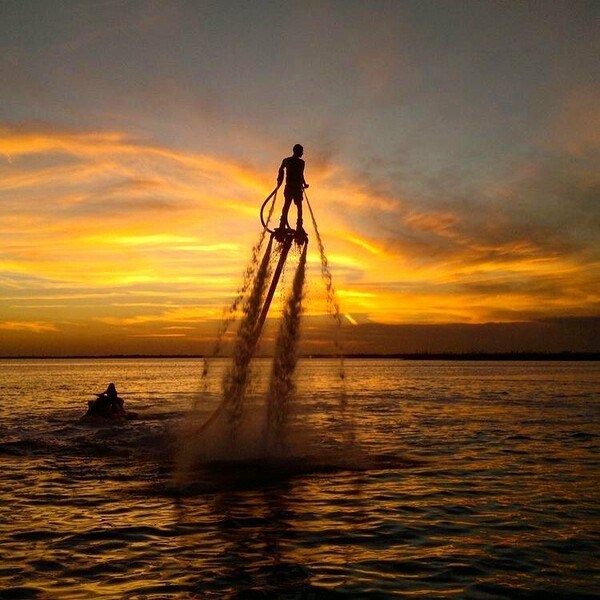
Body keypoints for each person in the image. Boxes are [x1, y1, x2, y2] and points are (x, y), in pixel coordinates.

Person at [277, 144, 309, 231]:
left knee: (298, 206)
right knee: (288, 205)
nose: (302, 153)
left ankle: (299, 225)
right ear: (296, 151)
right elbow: (281, 169)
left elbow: (301, 175)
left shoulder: (301, 163)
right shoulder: (287, 160)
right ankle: (283, 223)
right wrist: (280, 177)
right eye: (301, 151)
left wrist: (304, 184)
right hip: (290, 187)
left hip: (297, 188)